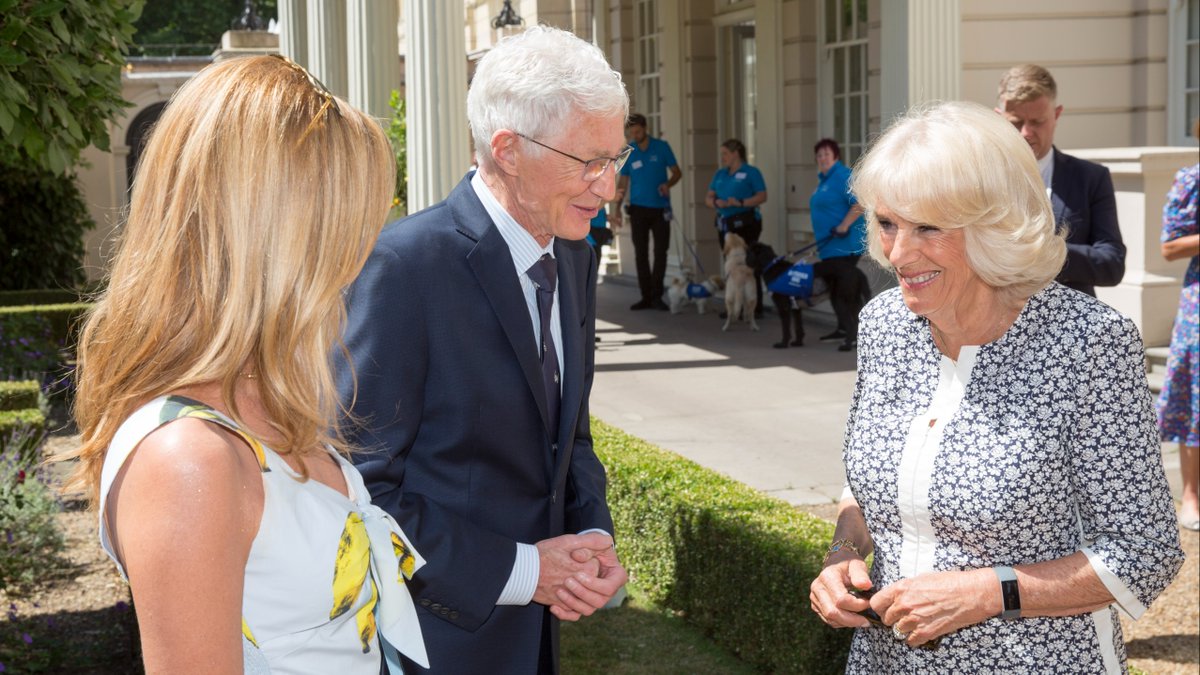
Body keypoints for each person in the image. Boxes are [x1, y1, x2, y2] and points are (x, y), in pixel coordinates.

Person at [54, 55, 427, 673]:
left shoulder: (261, 407)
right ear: (282, 239)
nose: (362, 253)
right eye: (350, 225)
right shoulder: (189, 457)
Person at [809, 101, 1184, 673]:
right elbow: (873, 478)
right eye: (887, 223)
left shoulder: (1087, 344)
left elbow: (1144, 553)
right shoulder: (884, 324)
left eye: (928, 228)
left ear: (996, 224)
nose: (898, 254)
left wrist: (990, 592)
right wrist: (843, 554)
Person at [336, 26, 629, 674]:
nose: (607, 185)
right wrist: (527, 571)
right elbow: (356, 489)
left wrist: (593, 537)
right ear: (509, 150)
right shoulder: (402, 268)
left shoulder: (575, 256)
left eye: (616, 158)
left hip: (538, 646)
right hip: (436, 648)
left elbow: (569, 439)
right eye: (589, 161)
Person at [996, 63, 1126, 297]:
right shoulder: (978, 179)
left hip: (1072, 328)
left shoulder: (1091, 178)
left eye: (1037, 121)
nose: (1026, 132)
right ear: (998, 118)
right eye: (1015, 123)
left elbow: (1112, 264)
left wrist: (1046, 252)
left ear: (1057, 115)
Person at [1157, 124, 1199, 532]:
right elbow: (1169, 246)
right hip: (1199, 303)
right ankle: (1191, 494)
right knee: (1194, 398)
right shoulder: (1192, 180)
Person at [613, 113, 682, 310]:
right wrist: (617, 207)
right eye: (631, 132)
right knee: (640, 254)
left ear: (645, 128)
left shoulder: (661, 147)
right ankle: (646, 296)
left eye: (638, 131)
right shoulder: (629, 150)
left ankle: (657, 296)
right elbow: (623, 181)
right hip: (637, 210)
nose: (635, 135)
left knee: (661, 252)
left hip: (660, 208)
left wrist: (668, 184)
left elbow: (677, 172)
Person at [810, 138, 868, 352]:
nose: (822, 158)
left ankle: (856, 334)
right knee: (834, 289)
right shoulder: (824, 180)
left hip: (845, 245)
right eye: (819, 155)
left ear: (835, 155)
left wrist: (844, 225)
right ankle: (844, 328)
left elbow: (860, 202)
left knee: (844, 292)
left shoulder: (842, 175)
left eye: (826, 154)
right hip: (829, 247)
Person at [706, 139, 768, 317]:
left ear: (736, 153)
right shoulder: (720, 174)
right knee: (730, 265)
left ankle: (754, 307)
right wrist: (716, 202)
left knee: (748, 264)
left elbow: (762, 196)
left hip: (747, 222)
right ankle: (733, 306)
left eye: (725, 153)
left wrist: (740, 202)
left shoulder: (751, 172)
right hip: (725, 223)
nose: (722, 157)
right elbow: (708, 198)